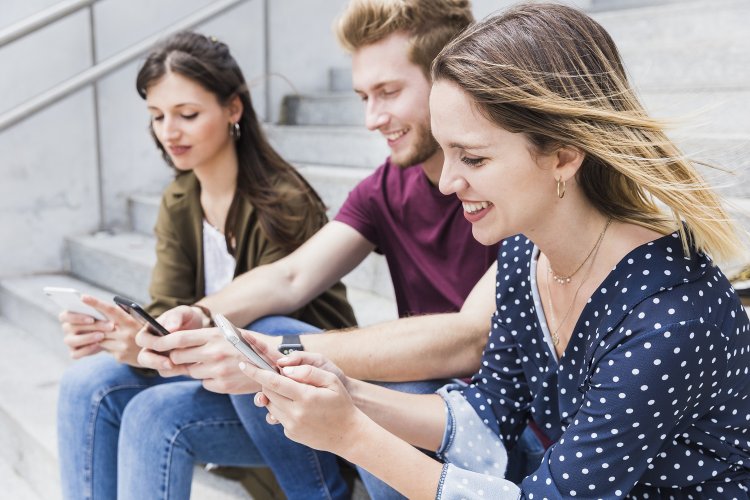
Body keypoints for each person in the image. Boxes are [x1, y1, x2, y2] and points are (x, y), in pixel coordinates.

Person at [240, 3, 750, 498]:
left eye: (475, 158)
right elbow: (488, 413)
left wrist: (351, 434)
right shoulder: (524, 258)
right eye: (447, 151)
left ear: (564, 157)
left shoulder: (669, 317)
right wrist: (347, 392)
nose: (447, 182)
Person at [134, 1, 530, 498]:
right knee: (238, 344)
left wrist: (282, 353)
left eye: (388, 92)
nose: (372, 118)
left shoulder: (514, 178)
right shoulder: (388, 185)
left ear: (452, 78)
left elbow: (472, 338)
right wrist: (198, 314)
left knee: (297, 351)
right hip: (427, 397)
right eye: (363, 96)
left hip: (500, 419)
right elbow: (291, 277)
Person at [56, 31, 356, 500]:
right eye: (156, 116)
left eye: (187, 115)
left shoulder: (285, 202)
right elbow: (167, 311)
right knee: (86, 383)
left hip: (289, 396)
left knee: (155, 415)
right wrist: (128, 338)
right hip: (218, 379)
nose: (168, 132)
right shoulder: (179, 200)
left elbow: (265, 340)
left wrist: (166, 346)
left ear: (233, 109)